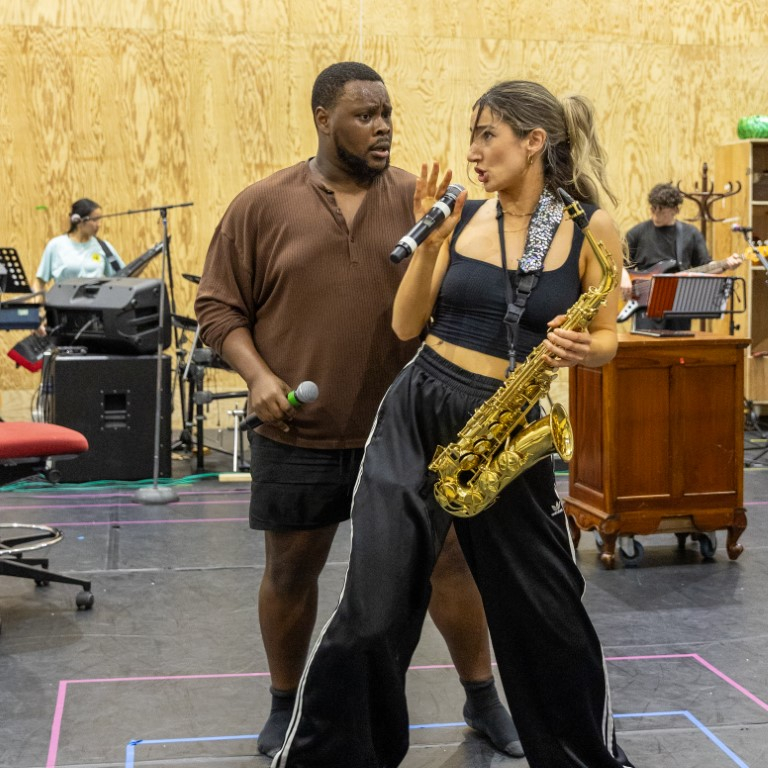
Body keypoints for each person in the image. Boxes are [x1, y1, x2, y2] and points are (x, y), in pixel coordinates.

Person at [273, 80, 634, 768]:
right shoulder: (461, 215)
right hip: (420, 409)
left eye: (488, 136)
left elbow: (610, 332)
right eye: (472, 136)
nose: (473, 152)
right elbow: (406, 324)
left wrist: (589, 349)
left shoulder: (592, 227)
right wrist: (433, 248)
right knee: (373, 608)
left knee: (549, 615)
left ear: (534, 142)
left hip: (507, 426)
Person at [194, 62, 520, 760]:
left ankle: (484, 699)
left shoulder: (425, 203)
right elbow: (219, 308)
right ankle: (288, 705)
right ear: (321, 118)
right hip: (299, 430)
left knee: (450, 564)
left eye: (387, 115)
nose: (382, 128)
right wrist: (256, 376)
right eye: (364, 116)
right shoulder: (261, 205)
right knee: (291, 571)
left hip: (407, 430)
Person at [621, 183, 741, 331]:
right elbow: (616, 263)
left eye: (661, 210)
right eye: (653, 208)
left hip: (679, 302)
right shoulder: (637, 233)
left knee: (678, 349)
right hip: (646, 303)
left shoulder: (690, 234)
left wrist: (726, 264)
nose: (655, 213)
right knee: (648, 349)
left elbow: (707, 266)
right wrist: (623, 275)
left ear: (675, 210)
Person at [34, 198, 124, 294]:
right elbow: (39, 283)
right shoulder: (56, 245)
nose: (99, 225)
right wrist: (38, 301)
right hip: (64, 305)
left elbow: (124, 277)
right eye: (95, 220)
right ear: (78, 220)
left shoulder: (103, 247)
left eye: (100, 220)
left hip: (95, 305)